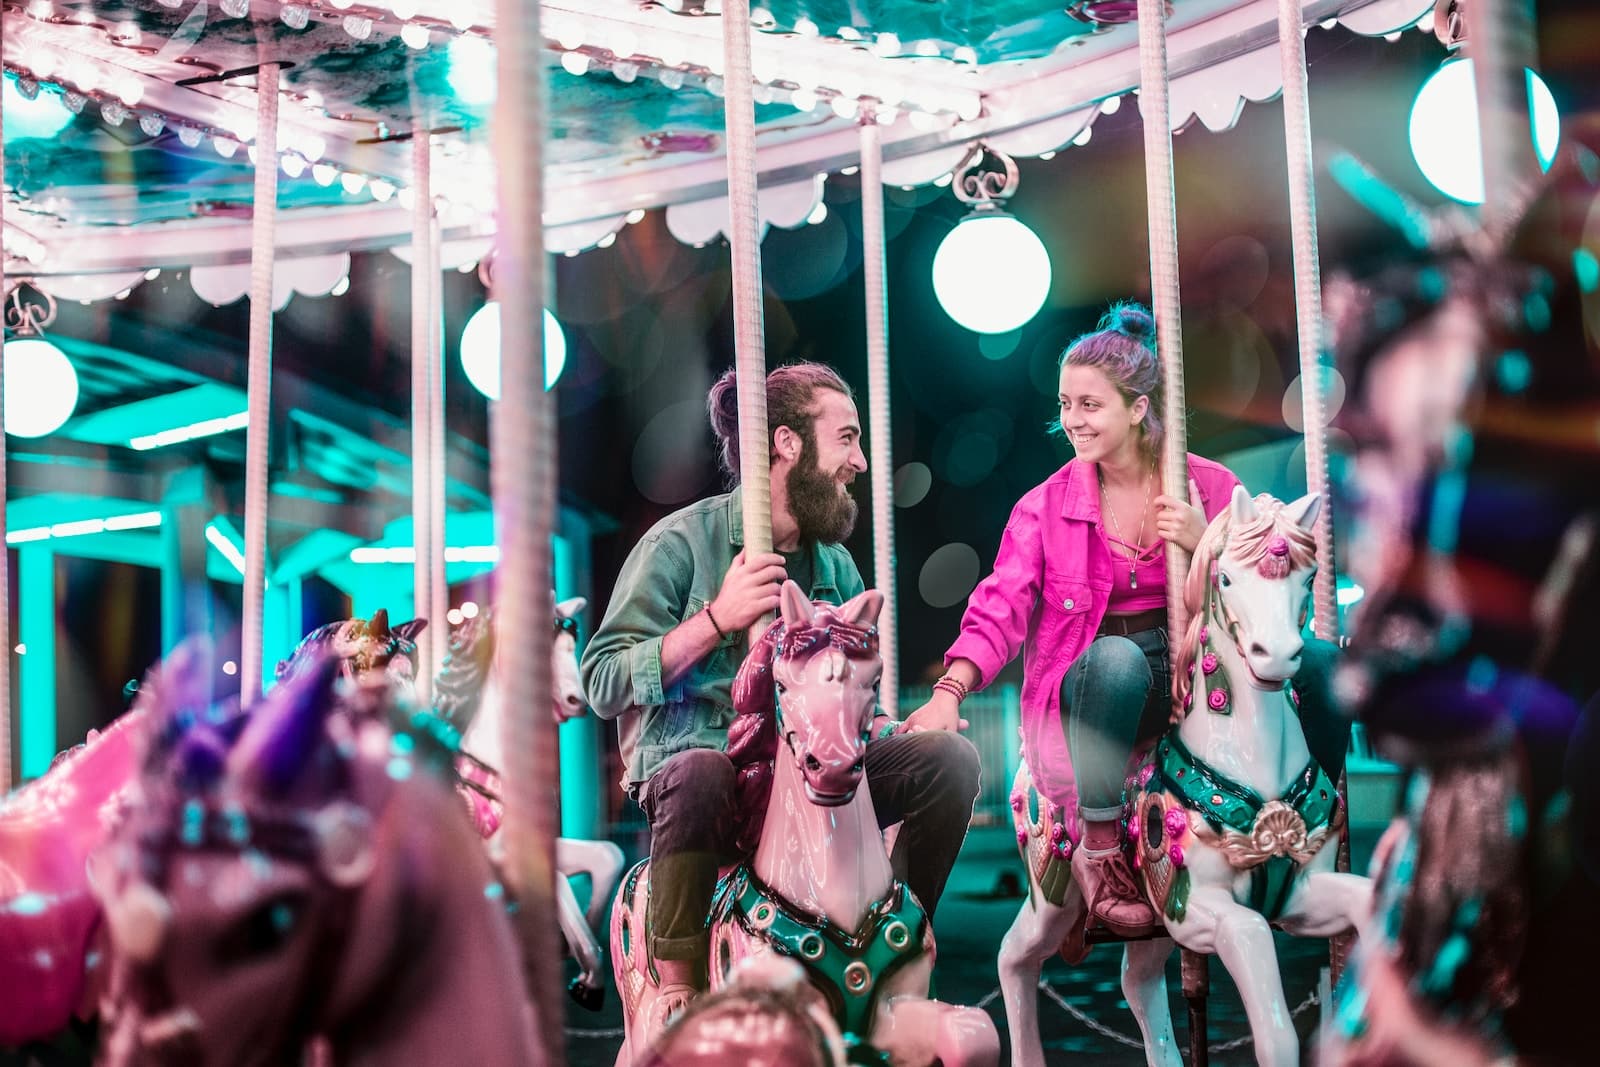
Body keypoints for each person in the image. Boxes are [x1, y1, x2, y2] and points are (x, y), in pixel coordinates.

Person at [904, 302, 1345, 933]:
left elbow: (1274, 567)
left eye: (1090, 405)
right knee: (1118, 662)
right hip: (1102, 686)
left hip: (1201, 668)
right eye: (1065, 404)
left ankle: (1313, 822)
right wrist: (951, 690)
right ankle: (1102, 848)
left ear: (1138, 408)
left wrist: (1205, 539)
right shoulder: (1045, 507)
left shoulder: (1212, 486)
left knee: (1326, 664)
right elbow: (1001, 603)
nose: (1072, 421)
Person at [581, 361, 982, 1031]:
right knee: (701, 771)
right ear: (788, 443)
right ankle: (675, 987)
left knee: (949, 760)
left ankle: (897, 942)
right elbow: (601, 680)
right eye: (847, 438)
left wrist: (886, 727)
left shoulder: (835, 566)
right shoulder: (681, 543)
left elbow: (851, 700)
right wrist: (715, 620)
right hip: (706, 768)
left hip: (808, 773)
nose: (858, 460)